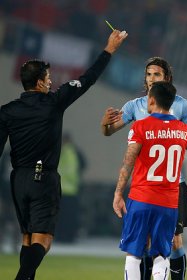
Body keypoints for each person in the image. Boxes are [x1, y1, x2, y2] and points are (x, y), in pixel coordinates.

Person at [0, 29, 127, 280]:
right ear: (38, 82)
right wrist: (109, 50)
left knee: (27, 240)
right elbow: (88, 78)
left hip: (18, 180)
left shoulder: (7, 111)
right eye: (47, 78)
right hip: (42, 179)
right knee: (43, 241)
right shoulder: (54, 102)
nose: (51, 82)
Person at [101, 57, 187, 280]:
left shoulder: (182, 106)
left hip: (170, 186)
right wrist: (104, 124)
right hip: (155, 190)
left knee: (173, 242)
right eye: (148, 74)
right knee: (155, 246)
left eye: (156, 74)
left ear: (166, 78)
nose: (151, 79)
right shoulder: (134, 106)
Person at [55, 133, 86, 243]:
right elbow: (83, 165)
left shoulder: (60, 151)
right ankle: (69, 237)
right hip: (72, 189)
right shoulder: (75, 152)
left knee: (60, 216)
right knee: (70, 216)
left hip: (60, 189)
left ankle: (61, 236)